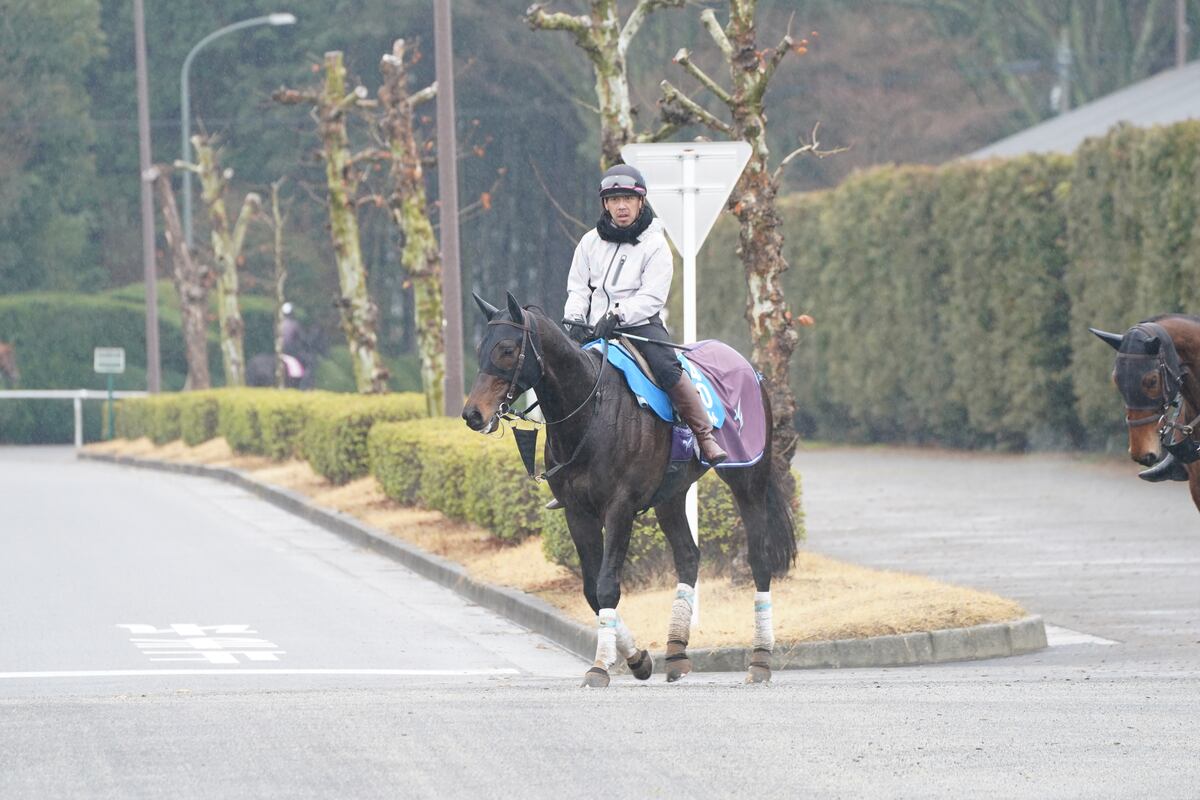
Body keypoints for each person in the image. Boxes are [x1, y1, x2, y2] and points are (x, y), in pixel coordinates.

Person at [549, 164, 727, 509]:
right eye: (614, 199)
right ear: (605, 205)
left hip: (640, 326)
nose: (621, 206)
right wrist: (575, 317)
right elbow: (578, 287)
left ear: (640, 202)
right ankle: (570, 471)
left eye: (628, 199)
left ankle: (704, 437)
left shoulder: (655, 245)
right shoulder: (589, 242)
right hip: (593, 327)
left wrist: (617, 315)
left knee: (666, 367)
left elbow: (651, 298)